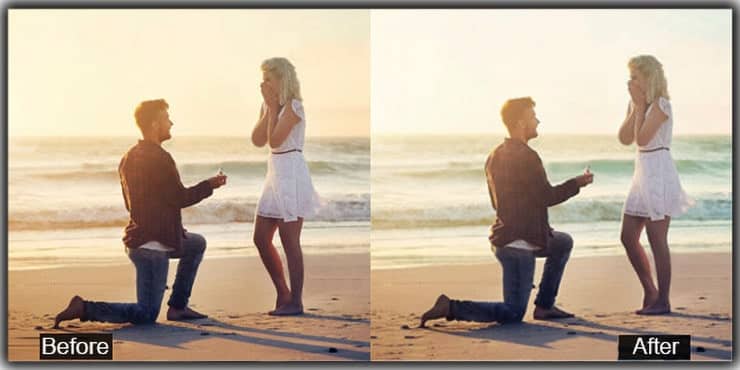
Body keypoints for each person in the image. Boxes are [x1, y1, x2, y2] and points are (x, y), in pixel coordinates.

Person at [420, 97, 593, 327]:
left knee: (562, 242)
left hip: (509, 238)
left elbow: (501, 203)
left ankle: (544, 305)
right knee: (513, 312)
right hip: (517, 245)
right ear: (521, 122)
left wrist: (538, 227)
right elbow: (547, 197)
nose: (538, 121)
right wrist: (577, 183)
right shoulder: (527, 156)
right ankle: (451, 307)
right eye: (533, 117)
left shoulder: (494, 155)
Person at [54, 99, 227, 327]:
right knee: (146, 314)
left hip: (145, 239)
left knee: (196, 244)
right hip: (151, 248)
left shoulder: (129, 157)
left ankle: (178, 306)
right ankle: (85, 307)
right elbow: (180, 198)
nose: (171, 123)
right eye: (167, 118)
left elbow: (136, 205)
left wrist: (171, 227)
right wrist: (210, 185)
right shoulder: (160, 157)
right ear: (155, 124)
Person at [618, 55, 692, 315]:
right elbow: (624, 138)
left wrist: (639, 108)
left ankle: (664, 300)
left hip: (658, 170)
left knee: (656, 238)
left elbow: (644, 140)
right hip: (642, 173)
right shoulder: (636, 103)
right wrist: (635, 107)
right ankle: (650, 290)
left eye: (635, 76)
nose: (630, 81)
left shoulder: (662, 105)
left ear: (648, 78)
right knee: (628, 236)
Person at [251, 57, 320, 316]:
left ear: (282, 79)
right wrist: (269, 108)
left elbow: (277, 141)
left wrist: (272, 107)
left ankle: (296, 302)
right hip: (275, 173)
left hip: (291, 171)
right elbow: (258, 140)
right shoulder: (269, 106)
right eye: (263, 78)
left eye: (268, 78)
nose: (263, 83)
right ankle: (283, 292)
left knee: (289, 240)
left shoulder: (294, 106)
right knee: (260, 238)